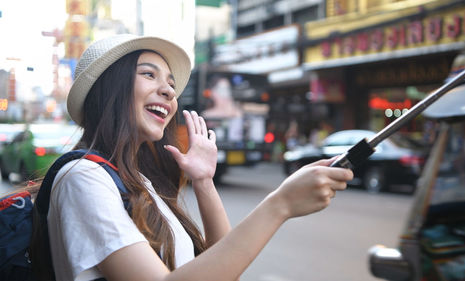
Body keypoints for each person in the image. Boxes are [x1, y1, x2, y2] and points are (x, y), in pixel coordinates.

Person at [30, 34, 353, 281]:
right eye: (149, 75)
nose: (169, 91)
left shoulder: (137, 180)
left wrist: (204, 182)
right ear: (110, 89)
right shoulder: (83, 177)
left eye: (171, 83)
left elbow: (224, 268)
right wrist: (279, 205)